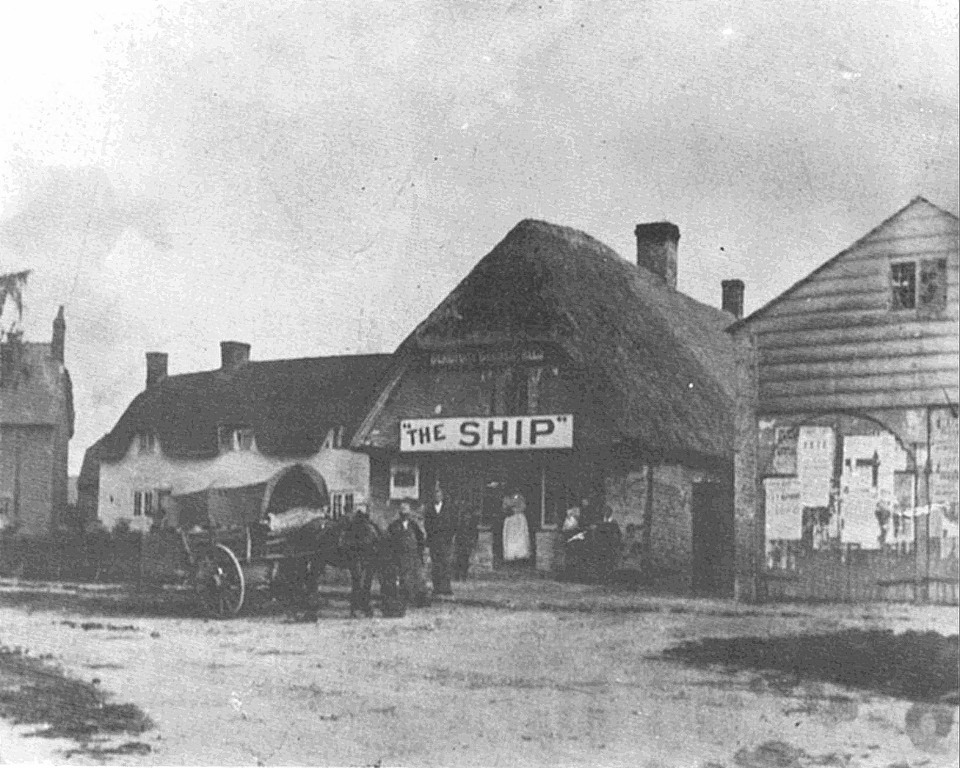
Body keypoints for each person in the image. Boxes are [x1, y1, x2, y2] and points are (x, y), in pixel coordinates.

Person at [384, 501, 430, 613]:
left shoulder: (414, 525)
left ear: (409, 514)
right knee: (401, 579)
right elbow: (388, 541)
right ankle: (402, 599)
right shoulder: (394, 526)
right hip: (398, 557)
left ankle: (417, 599)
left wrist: (420, 552)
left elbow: (421, 540)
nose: (404, 516)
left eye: (406, 513)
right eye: (402, 513)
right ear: (400, 514)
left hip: (412, 556)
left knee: (417, 578)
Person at [423, 486, 455, 596]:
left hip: (445, 541)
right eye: (435, 496)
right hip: (434, 541)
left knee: (445, 564)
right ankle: (437, 588)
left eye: (439, 496)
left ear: (442, 497)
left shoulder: (448, 508)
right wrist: (431, 536)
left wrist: (449, 537)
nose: (437, 497)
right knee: (436, 565)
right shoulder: (429, 509)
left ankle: (446, 588)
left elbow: (453, 524)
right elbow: (427, 524)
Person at [587, 505, 623, 584]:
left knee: (609, 562)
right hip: (600, 545)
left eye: (607, 512)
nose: (606, 513)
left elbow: (618, 534)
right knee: (600, 561)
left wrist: (616, 544)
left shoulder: (613, 522)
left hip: (609, 545)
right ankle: (600, 578)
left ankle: (608, 579)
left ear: (610, 513)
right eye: (604, 512)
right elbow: (595, 533)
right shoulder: (599, 522)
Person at [453, 500, 480, 581]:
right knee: (458, 560)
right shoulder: (460, 525)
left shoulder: (472, 525)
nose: (467, 517)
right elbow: (457, 534)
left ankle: (464, 575)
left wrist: (473, 542)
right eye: (465, 515)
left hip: (467, 544)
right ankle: (457, 575)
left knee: (465, 560)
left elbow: (475, 534)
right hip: (460, 543)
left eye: (468, 515)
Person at [501, 491, 531, 563]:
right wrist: (509, 509)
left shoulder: (520, 497)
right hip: (510, 519)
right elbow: (504, 508)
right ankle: (510, 555)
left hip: (519, 519)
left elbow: (523, 506)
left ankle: (520, 555)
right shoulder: (506, 498)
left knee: (521, 536)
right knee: (509, 537)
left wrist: (517, 509)